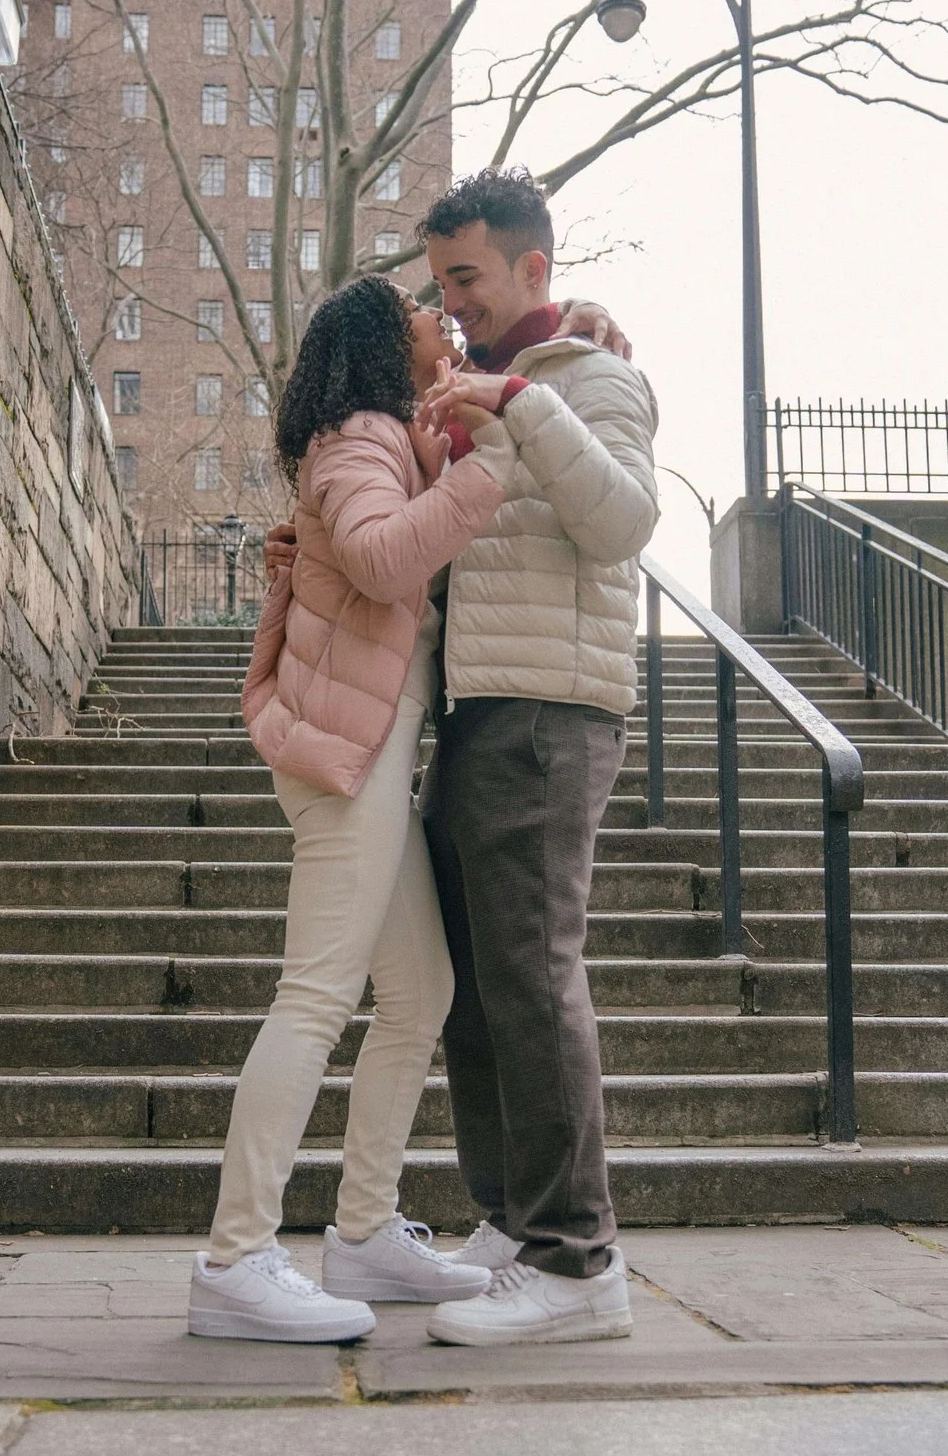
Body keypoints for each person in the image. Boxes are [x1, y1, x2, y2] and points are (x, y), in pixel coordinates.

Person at [187, 275, 511, 1343]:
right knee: (317, 994)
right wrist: (493, 470)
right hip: (345, 759)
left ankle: (365, 1230)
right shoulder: (358, 440)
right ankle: (234, 1256)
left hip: (368, 750)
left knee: (420, 990)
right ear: (380, 340)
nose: (437, 318)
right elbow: (378, 557)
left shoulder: (379, 440)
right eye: (419, 310)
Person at [412, 169, 661, 1347]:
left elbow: (621, 524)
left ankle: (577, 1259)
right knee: (471, 986)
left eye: (466, 276)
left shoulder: (596, 379)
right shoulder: (468, 382)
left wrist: (520, 400)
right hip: (472, 707)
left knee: (530, 976)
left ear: (532, 267)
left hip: (550, 711)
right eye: (440, 281)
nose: (452, 301)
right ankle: (513, 1221)